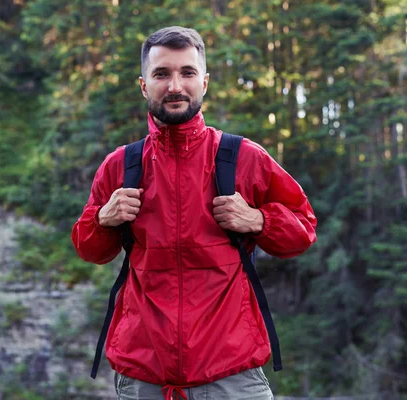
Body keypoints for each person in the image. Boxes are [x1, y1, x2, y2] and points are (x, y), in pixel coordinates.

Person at [71, 26, 317, 400]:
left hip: (232, 375)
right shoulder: (121, 165)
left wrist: (258, 220)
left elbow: (303, 230)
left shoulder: (243, 157)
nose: (175, 86)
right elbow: (91, 250)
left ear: (204, 82)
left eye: (187, 73)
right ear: (143, 85)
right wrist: (104, 219)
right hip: (144, 377)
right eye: (161, 74)